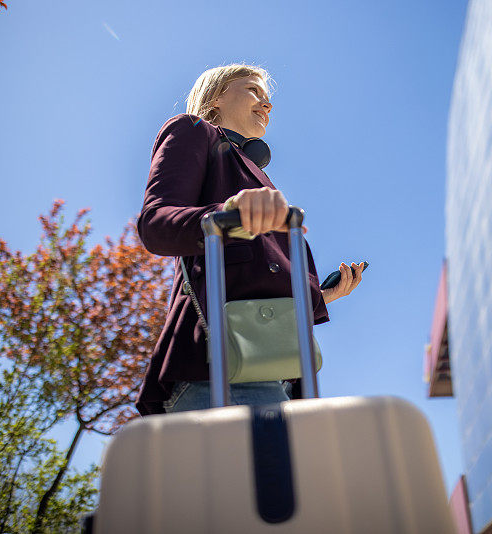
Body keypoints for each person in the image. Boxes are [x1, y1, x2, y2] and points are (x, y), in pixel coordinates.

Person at [135, 64, 363, 415]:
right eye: (253, 90)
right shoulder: (193, 130)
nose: (266, 104)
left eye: (268, 98)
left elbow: (260, 272)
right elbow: (157, 224)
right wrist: (228, 213)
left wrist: (322, 295)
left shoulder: (256, 174)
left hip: (279, 370)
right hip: (220, 368)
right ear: (215, 98)